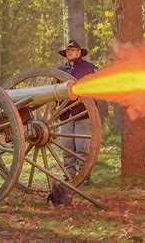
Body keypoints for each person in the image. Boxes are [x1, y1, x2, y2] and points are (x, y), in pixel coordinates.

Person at [57, 40, 97, 186]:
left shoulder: (89, 68)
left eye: (72, 51)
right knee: (66, 146)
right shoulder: (60, 70)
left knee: (82, 146)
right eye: (68, 51)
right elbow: (54, 91)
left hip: (83, 113)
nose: (70, 53)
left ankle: (84, 175)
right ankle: (69, 175)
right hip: (65, 114)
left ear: (79, 52)